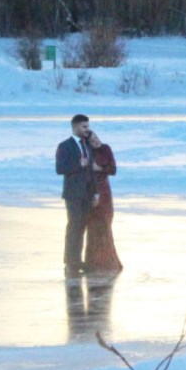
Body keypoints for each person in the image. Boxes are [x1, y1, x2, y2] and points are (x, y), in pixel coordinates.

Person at [56, 114, 97, 277]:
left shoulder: (87, 146)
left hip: (87, 193)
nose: (87, 129)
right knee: (73, 227)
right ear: (75, 127)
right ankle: (70, 262)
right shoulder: (64, 146)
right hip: (73, 194)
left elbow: (91, 171)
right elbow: (60, 168)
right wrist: (78, 165)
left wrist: (95, 192)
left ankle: (78, 261)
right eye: (84, 127)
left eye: (87, 126)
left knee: (82, 227)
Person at [83, 130, 123, 273]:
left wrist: (99, 168)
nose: (96, 142)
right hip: (93, 192)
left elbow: (113, 170)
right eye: (93, 141)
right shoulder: (87, 154)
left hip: (105, 192)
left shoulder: (106, 149)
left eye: (96, 138)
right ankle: (94, 262)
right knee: (95, 228)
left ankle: (107, 261)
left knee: (106, 224)